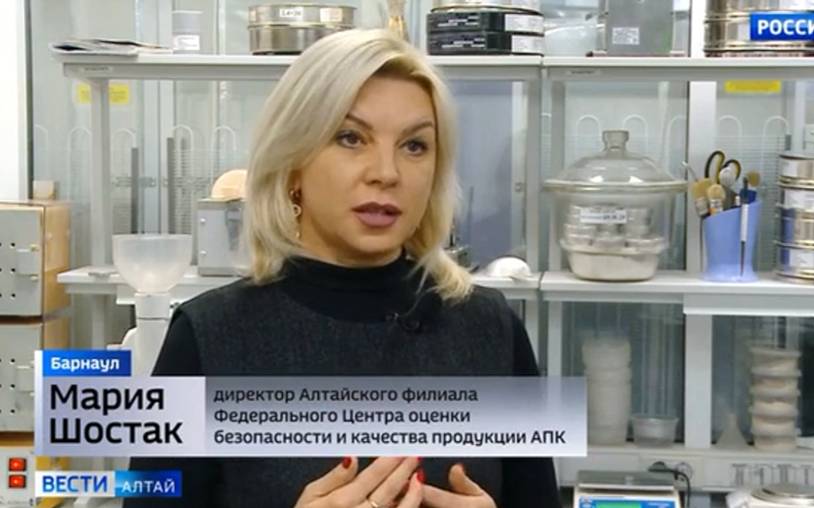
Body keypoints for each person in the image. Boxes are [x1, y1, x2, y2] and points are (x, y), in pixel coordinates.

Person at [125, 29, 559, 508]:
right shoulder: (207, 336)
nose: (386, 172)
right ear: (293, 163)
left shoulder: (491, 329)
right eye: (351, 138)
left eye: (415, 146)